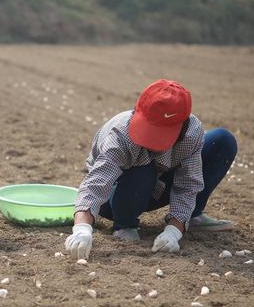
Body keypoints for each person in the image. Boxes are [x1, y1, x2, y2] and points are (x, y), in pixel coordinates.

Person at [65, 79, 237, 260]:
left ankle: (189, 218)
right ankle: (125, 225)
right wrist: (82, 229)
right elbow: (97, 184)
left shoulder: (191, 133)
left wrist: (173, 231)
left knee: (222, 141)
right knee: (142, 168)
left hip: (157, 185)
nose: (152, 141)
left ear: (182, 126)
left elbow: (188, 184)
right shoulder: (121, 134)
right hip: (116, 195)